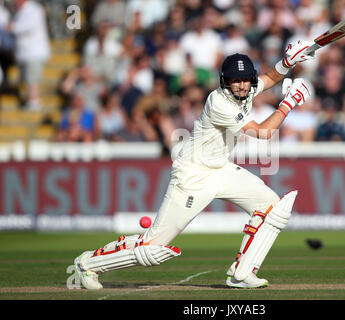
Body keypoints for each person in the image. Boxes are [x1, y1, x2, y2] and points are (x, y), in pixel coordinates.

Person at [74, 40, 315, 289]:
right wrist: (289, 103)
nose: (242, 85)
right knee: (154, 248)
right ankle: (88, 264)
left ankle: (242, 273)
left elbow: (270, 77)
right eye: (236, 81)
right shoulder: (220, 102)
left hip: (220, 168)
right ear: (225, 82)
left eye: (246, 80)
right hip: (192, 175)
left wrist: (288, 62)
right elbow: (264, 133)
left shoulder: (247, 88)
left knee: (272, 208)